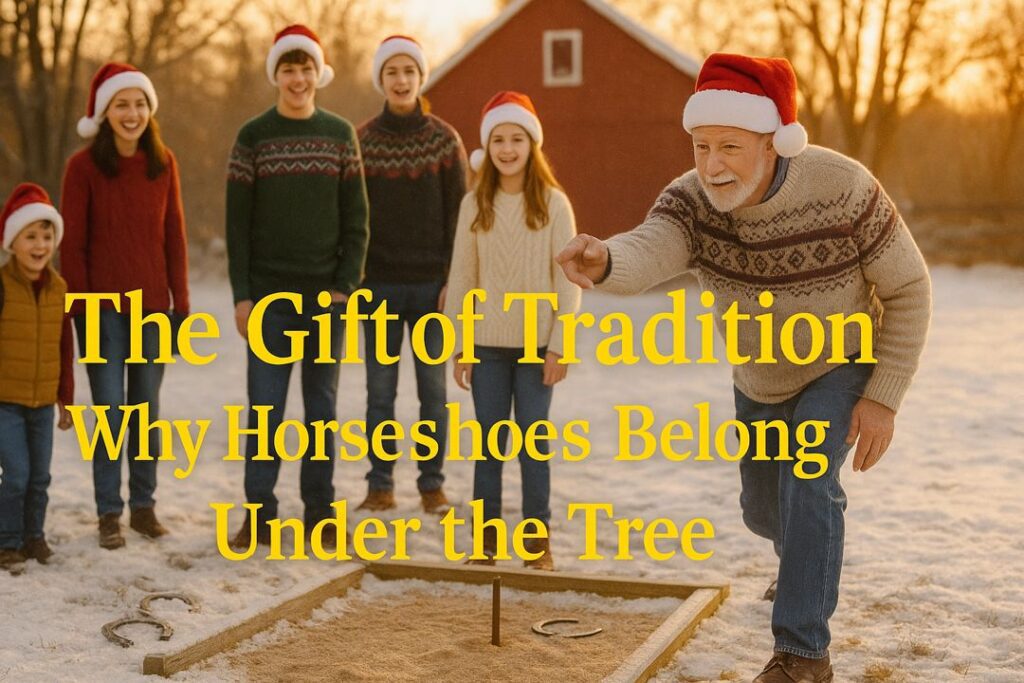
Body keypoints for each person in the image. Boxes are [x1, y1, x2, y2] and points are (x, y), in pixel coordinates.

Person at [557, 53, 931, 681]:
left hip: (840, 364)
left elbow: (910, 290)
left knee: (809, 483)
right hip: (758, 378)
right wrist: (604, 260)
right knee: (765, 509)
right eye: (701, 146)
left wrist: (883, 398)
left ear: (772, 141)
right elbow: (655, 246)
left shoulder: (844, 187)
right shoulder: (691, 200)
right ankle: (798, 563)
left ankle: (802, 653)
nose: (711, 164)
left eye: (729, 146)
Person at [226, 25, 369, 548]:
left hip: (325, 302)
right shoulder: (253, 137)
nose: (298, 77)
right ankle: (259, 514)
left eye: (306, 67)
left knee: (321, 414)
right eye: (288, 68)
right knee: (264, 411)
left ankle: (319, 513)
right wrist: (243, 295)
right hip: (269, 302)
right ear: (276, 76)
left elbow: (357, 222)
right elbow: (236, 226)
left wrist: (344, 287)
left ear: (318, 73)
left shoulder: (339, 136)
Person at [444, 91, 581, 571]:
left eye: (516, 138)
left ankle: (536, 544)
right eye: (498, 139)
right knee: (488, 444)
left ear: (532, 144)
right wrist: (458, 346)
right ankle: (484, 544)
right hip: (485, 349)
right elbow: (462, 279)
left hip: (536, 346)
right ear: (488, 146)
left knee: (532, 443)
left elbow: (567, 282)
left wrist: (560, 346)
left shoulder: (552, 204)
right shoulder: (473, 206)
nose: (506, 149)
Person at [61, 62, 190, 550]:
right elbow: (72, 246)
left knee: (145, 410)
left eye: (139, 104)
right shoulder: (83, 168)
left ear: (149, 110)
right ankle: (108, 513)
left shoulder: (164, 163)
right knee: (111, 411)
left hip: (153, 309)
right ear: (104, 112)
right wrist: (80, 307)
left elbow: (174, 236)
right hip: (101, 312)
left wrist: (181, 304)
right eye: (121, 104)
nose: (131, 113)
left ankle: (143, 507)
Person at [355, 35, 467, 514]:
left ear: (421, 78)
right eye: (392, 73)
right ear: (381, 79)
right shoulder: (361, 142)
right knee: (380, 394)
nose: (401, 81)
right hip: (377, 287)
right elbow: (353, 218)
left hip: (431, 289)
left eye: (409, 72)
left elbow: (461, 219)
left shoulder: (444, 141)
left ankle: (431, 486)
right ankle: (379, 486)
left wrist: (451, 281)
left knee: (432, 395)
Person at [0, 184, 74, 575]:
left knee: (40, 476)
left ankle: (34, 536)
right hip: (6, 402)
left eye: (47, 236)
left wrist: (66, 398)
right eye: (31, 236)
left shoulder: (59, 288)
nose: (40, 244)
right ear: (13, 242)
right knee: (16, 475)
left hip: (43, 402)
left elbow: (65, 348)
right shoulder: (2, 285)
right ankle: (8, 541)